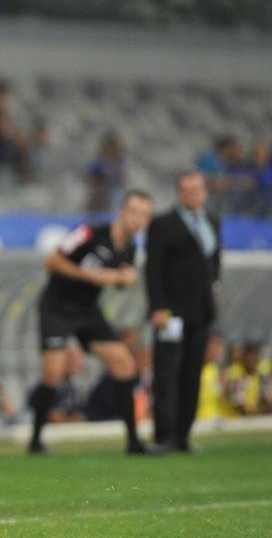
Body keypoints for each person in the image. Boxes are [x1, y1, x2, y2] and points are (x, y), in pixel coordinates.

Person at [27, 190, 154, 455]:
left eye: (144, 215)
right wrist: (93, 276)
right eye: (135, 212)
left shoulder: (130, 248)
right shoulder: (88, 233)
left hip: (88, 311)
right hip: (58, 307)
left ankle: (133, 442)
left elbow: (116, 280)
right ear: (122, 211)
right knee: (53, 372)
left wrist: (124, 280)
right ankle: (36, 440)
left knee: (124, 365)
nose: (138, 219)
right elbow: (51, 261)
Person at [146, 171, 222, 453]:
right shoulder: (163, 224)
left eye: (197, 189)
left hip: (201, 312)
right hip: (171, 312)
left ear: (204, 191)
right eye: (187, 190)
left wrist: (215, 290)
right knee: (167, 374)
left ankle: (183, 435)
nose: (193, 194)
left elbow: (215, 262)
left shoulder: (211, 221)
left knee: (192, 374)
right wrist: (157, 307)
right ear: (179, 193)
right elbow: (153, 269)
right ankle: (163, 436)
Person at [84, 133, 126, 216]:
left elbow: (122, 176)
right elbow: (91, 174)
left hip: (114, 191)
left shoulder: (119, 161)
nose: (112, 150)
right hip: (100, 192)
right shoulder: (99, 161)